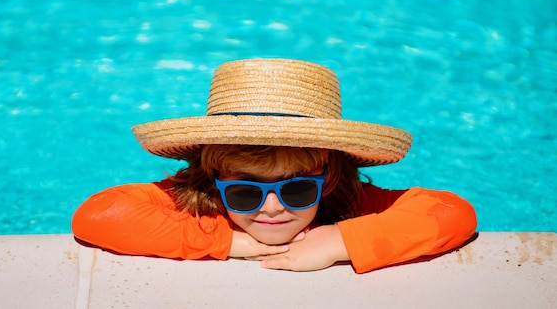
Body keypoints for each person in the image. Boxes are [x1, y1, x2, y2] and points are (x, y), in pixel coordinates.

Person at [72, 58, 477, 273]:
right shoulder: (201, 203)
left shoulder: (344, 202)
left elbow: (451, 213)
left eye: (297, 189)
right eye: (245, 192)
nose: (271, 208)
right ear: (215, 182)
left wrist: (340, 241)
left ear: (328, 178)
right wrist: (231, 243)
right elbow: (98, 215)